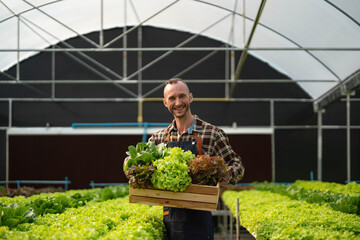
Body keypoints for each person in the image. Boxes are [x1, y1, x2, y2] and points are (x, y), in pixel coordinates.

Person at [147, 78, 244, 240]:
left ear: (190, 97)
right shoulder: (159, 139)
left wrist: (214, 175)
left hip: (200, 221)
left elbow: (238, 167)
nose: (178, 102)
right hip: (168, 222)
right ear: (165, 103)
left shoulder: (212, 133)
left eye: (182, 96)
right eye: (172, 98)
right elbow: (137, 162)